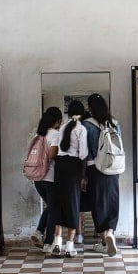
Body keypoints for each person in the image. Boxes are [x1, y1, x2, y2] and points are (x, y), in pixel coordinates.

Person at [83, 94, 120, 257]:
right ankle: (111, 232)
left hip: (95, 169)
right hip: (113, 168)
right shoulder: (114, 123)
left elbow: (85, 153)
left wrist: (83, 175)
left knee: (98, 204)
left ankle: (105, 241)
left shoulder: (86, 125)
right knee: (112, 201)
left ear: (90, 108)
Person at [49, 100, 88, 258]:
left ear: (68, 113)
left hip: (60, 166)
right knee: (73, 203)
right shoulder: (81, 129)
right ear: (82, 113)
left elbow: (59, 149)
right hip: (73, 167)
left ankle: (57, 242)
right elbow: (83, 154)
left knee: (59, 203)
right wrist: (84, 174)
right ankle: (69, 246)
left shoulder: (63, 127)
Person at [28, 107, 62, 250]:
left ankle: (39, 231)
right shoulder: (55, 134)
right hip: (49, 177)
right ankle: (48, 242)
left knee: (51, 206)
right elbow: (52, 154)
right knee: (54, 208)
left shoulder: (38, 134)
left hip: (37, 178)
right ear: (58, 121)